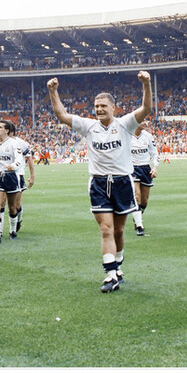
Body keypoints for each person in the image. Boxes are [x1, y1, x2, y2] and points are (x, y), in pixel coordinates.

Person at [47, 71, 152, 293]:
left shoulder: (125, 124)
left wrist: (146, 84)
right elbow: (61, 115)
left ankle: (118, 264)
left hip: (122, 182)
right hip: (98, 184)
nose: (99, 109)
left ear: (113, 107)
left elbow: (146, 109)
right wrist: (53, 91)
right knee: (106, 229)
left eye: (103, 106)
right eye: (96, 106)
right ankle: (110, 274)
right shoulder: (88, 126)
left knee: (119, 231)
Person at [130, 119, 159, 236]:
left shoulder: (148, 136)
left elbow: (155, 153)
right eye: (142, 121)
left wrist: (155, 167)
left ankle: (137, 217)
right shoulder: (126, 136)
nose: (145, 123)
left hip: (146, 169)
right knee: (137, 196)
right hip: (132, 168)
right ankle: (139, 226)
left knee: (144, 201)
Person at [9, 125, 35, 235]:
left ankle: (18, 220)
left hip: (18, 176)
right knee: (1, 204)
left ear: (11, 132)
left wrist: (32, 176)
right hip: (5, 175)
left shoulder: (21, 143)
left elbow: (29, 158)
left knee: (16, 205)